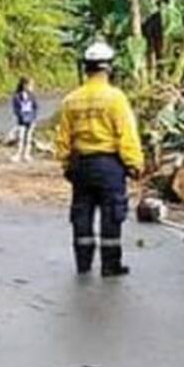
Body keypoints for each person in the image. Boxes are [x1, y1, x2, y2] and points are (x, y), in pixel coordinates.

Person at [54, 42, 143, 277]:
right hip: (109, 165)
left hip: (81, 164)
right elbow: (126, 134)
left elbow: (63, 137)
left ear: (86, 69)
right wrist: (134, 164)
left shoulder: (71, 100)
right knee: (111, 213)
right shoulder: (115, 98)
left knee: (82, 213)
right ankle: (110, 265)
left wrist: (65, 164)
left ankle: (83, 263)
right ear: (109, 68)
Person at [11, 77, 39, 163]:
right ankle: (18, 154)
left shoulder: (32, 96)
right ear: (24, 85)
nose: (32, 87)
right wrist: (20, 116)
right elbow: (15, 109)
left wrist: (33, 116)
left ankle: (27, 154)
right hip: (21, 119)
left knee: (29, 138)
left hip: (31, 119)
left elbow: (35, 107)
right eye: (30, 85)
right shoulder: (17, 96)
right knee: (21, 137)